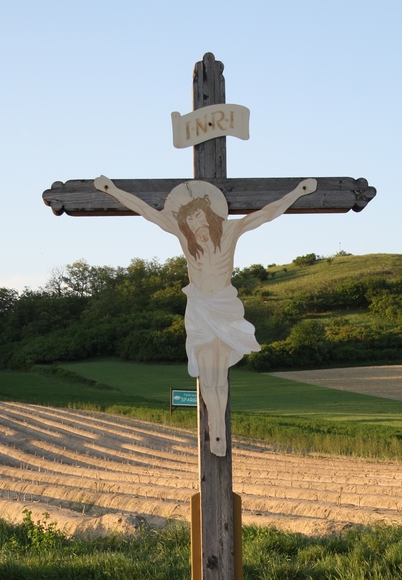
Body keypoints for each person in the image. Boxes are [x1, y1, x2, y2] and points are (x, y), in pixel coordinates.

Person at [94, 175, 317, 456]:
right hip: (199, 308)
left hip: (224, 306)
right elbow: (147, 212)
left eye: (199, 216)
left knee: (220, 377)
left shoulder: (231, 231)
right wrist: (112, 190)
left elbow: (267, 213)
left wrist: (298, 192)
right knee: (207, 377)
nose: (197, 225)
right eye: (191, 221)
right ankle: (214, 431)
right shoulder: (184, 238)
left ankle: (220, 432)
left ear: (210, 214)